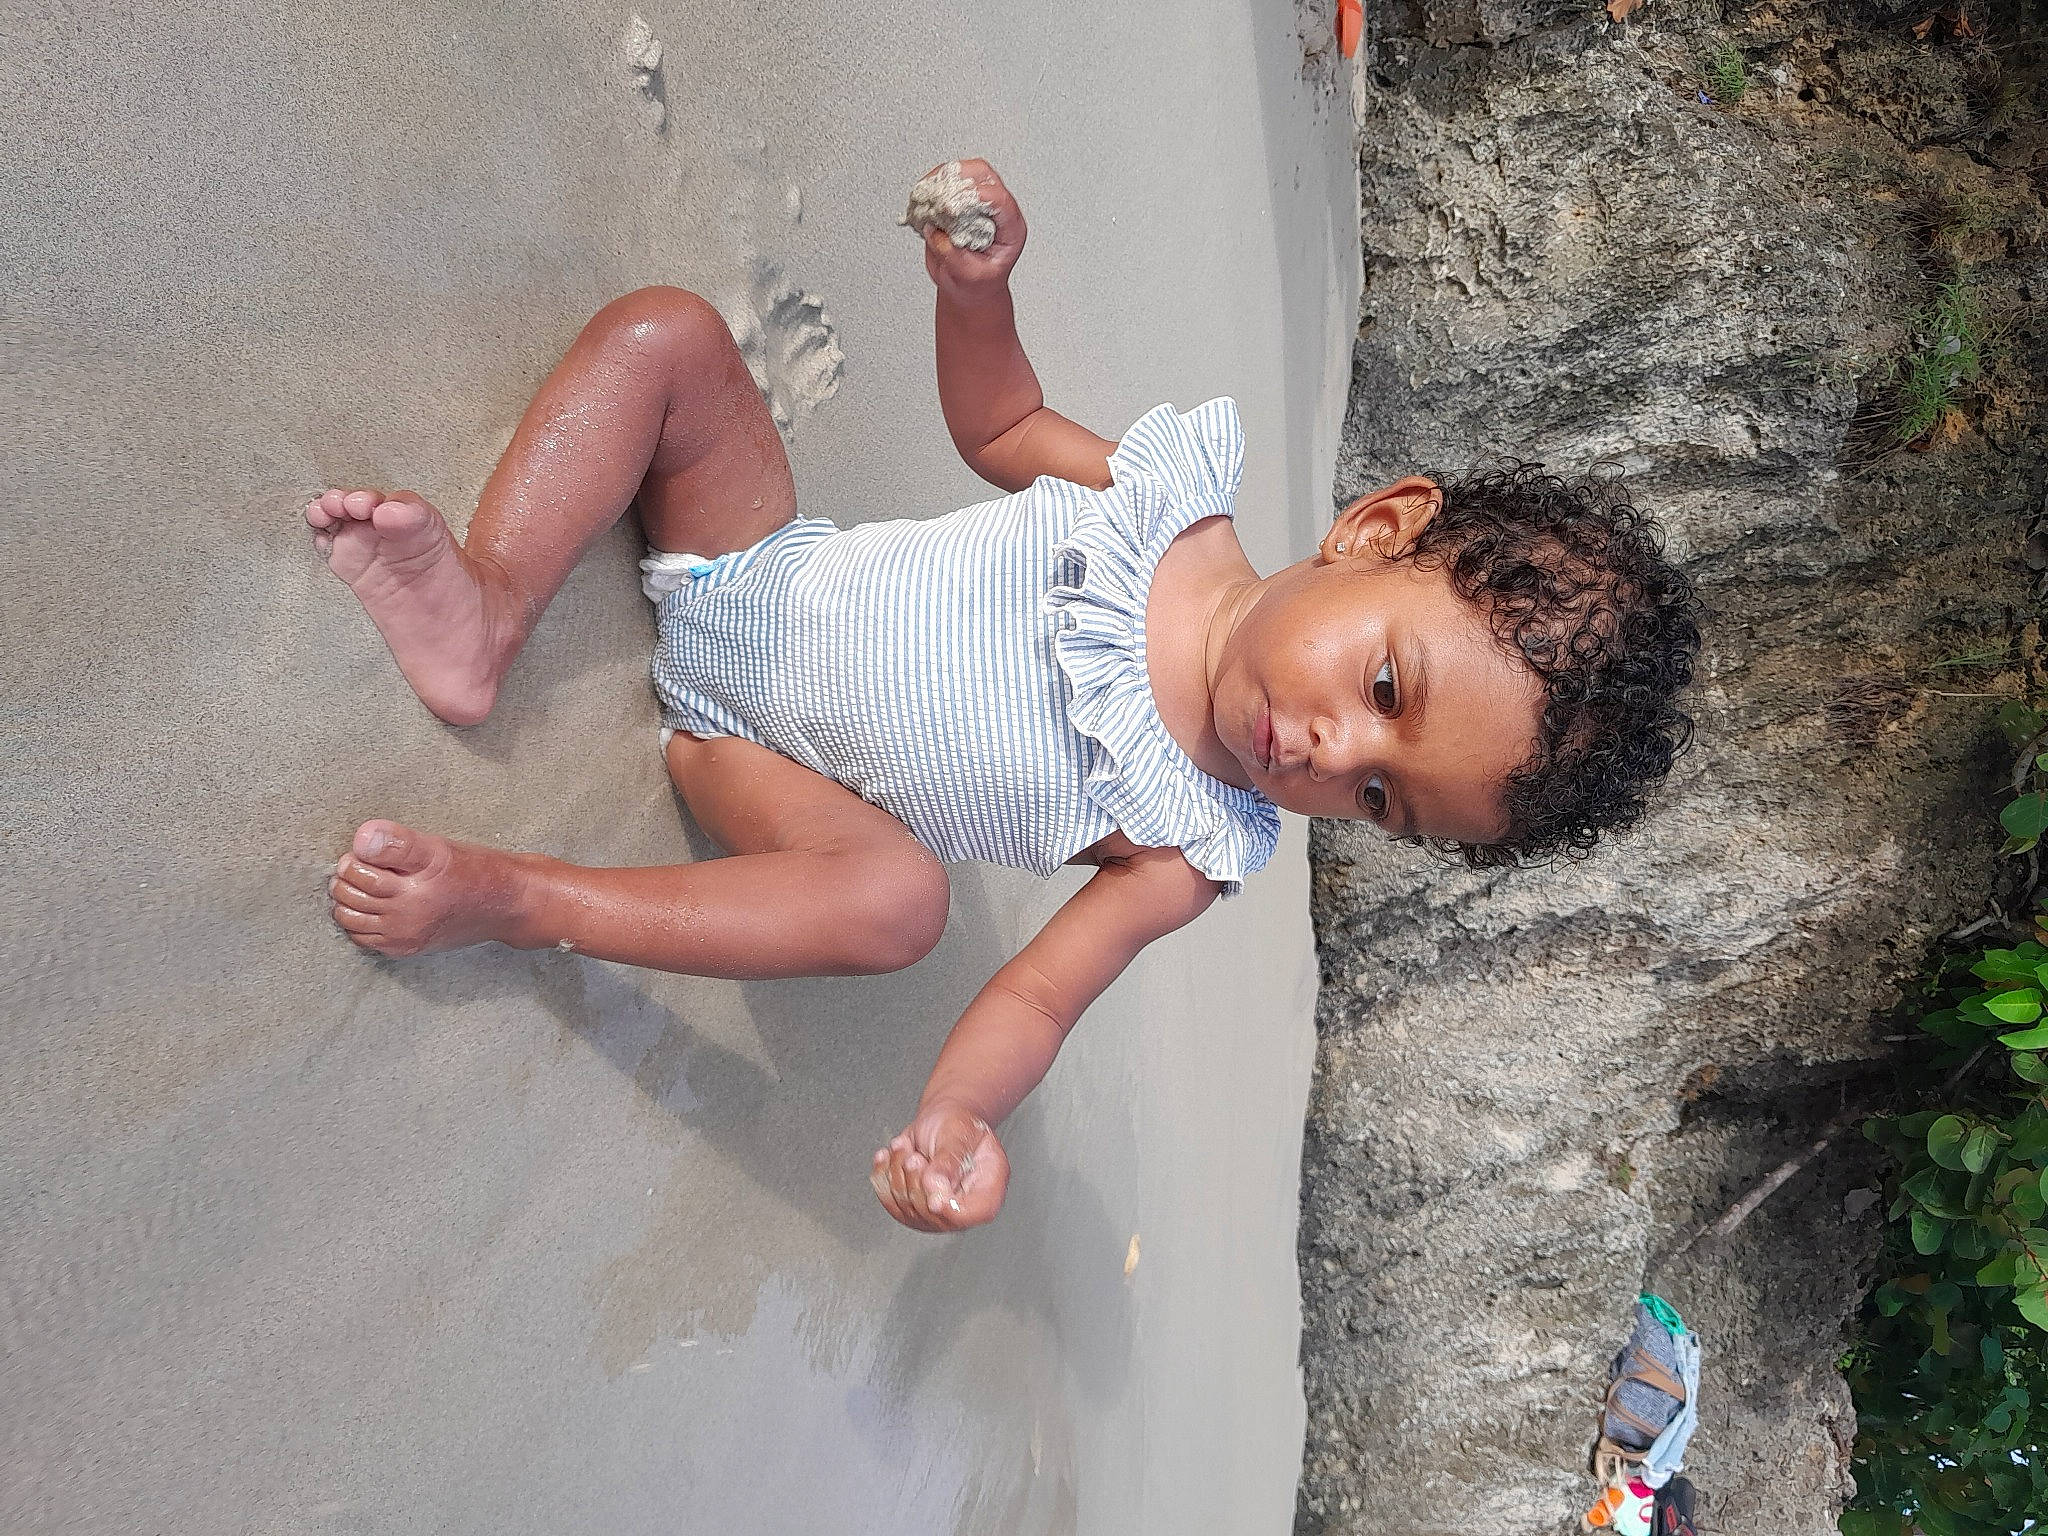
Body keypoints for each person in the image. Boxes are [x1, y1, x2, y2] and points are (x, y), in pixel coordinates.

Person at [305, 159, 1701, 1232]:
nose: (1333, 755)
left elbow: (1035, 998)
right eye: (1385, 685)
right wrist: (978, 295)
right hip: (749, 571)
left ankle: (525, 900)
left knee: (902, 910)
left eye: (1381, 800)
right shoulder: (1168, 512)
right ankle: (486, 607)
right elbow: (998, 426)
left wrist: (962, 1122)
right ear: (1376, 531)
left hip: (769, 777)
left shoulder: (1191, 843)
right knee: (668, 337)